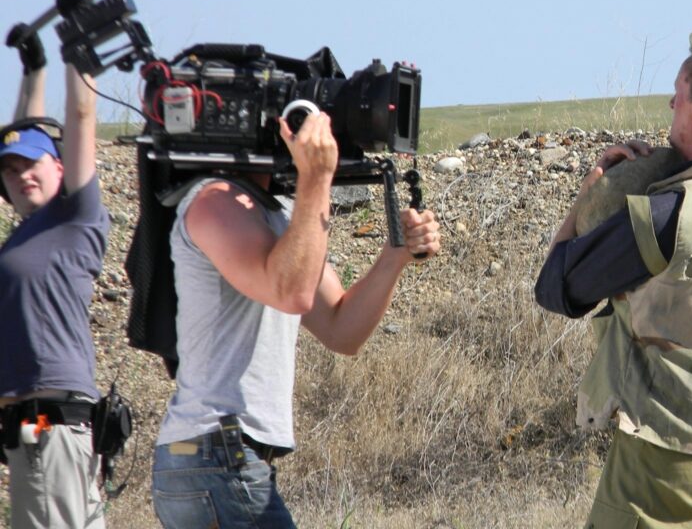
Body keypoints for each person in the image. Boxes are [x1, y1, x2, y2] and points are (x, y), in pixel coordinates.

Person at [536, 29, 692, 528]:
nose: (670, 103)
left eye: (678, 93)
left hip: (656, 484)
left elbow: (555, 287)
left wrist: (592, 193)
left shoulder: (667, 215)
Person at [149, 109, 441, 527]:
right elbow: (293, 292)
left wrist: (395, 256)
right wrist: (315, 179)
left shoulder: (274, 213)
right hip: (214, 455)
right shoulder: (213, 201)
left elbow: (342, 330)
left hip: (225, 459)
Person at [0, 26, 110, 528]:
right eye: (10, 169)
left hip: (48, 423)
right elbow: (24, 132)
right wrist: (34, 69)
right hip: (44, 429)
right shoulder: (29, 233)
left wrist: (77, 47)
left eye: (33, 164)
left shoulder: (75, 218)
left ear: (61, 167)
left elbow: (81, 116)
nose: (21, 173)